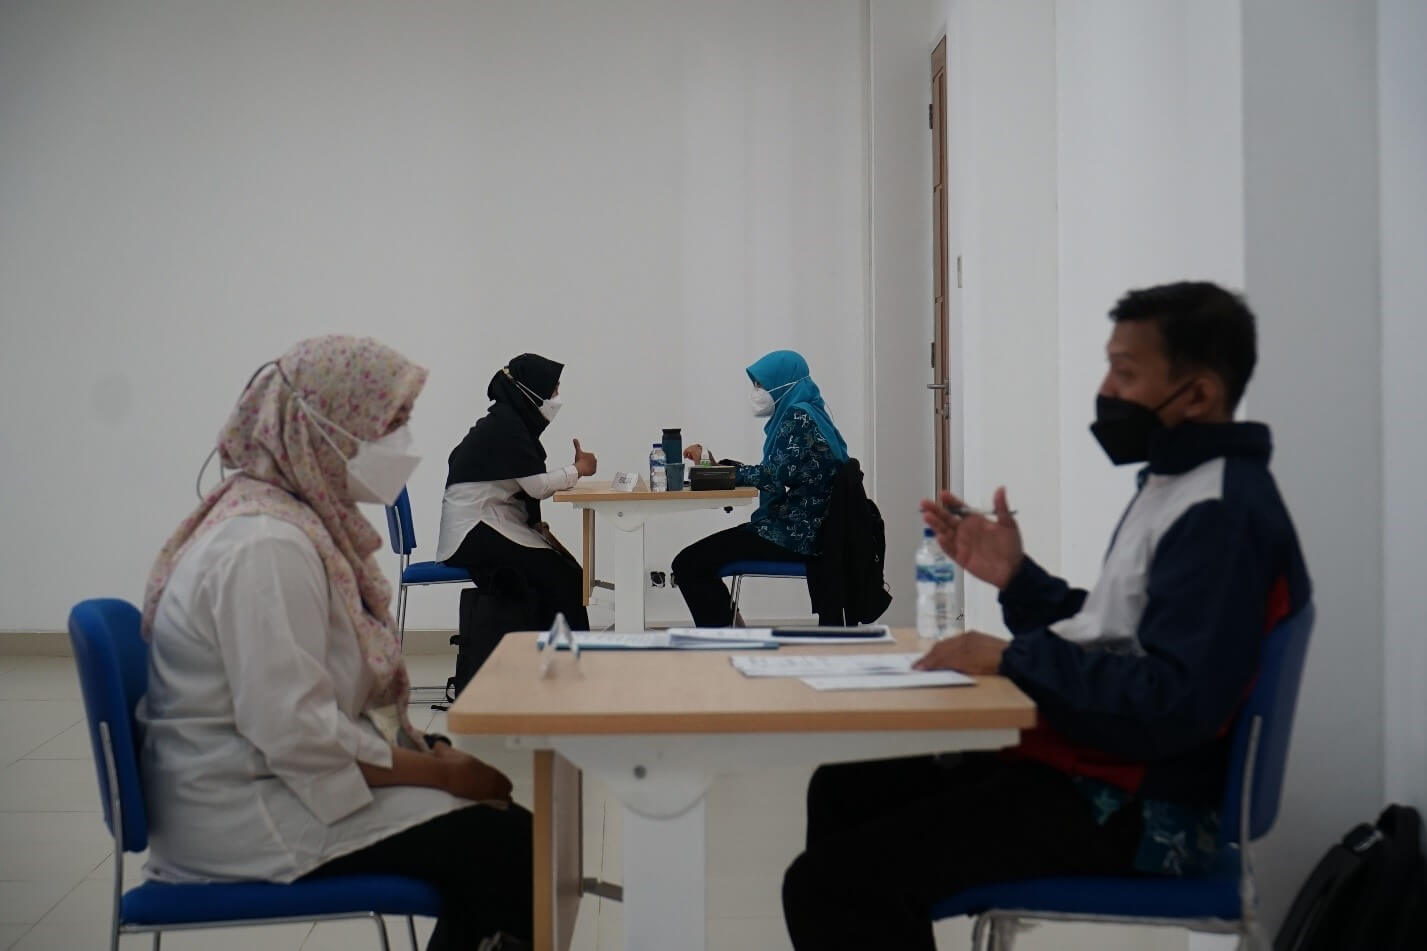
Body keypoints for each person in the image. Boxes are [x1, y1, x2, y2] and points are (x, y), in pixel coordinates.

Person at [781, 282, 1312, 950]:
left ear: (1198, 394)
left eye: (1125, 373)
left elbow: (1173, 699)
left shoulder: (1219, 514)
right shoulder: (1178, 484)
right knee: (843, 790)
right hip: (1108, 768)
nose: (1106, 390)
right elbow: (1122, 637)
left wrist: (1013, 657)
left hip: (1147, 808)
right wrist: (1019, 580)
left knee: (831, 885)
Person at [140, 336, 532, 950]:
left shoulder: (286, 524)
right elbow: (296, 732)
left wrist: (429, 756)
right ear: (324, 429)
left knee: (504, 840)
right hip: (247, 815)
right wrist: (441, 775)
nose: (405, 443)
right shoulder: (265, 546)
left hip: (270, 783)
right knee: (511, 848)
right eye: (391, 424)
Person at [672, 350, 850, 627]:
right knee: (694, 561)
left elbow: (770, 474)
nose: (757, 392)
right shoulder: (812, 413)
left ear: (783, 383)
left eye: (761, 385)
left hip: (797, 535)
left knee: (689, 563)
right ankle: (731, 635)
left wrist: (715, 473)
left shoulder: (798, 417)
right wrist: (718, 468)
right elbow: (778, 470)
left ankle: (724, 640)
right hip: (814, 529)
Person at [436, 353, 597, 631]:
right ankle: (571, 654)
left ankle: (559, 652)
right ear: (532, 391)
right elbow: (537, 487)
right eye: (553, 391)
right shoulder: (505, 428)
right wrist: (578, 469)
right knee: (563, 578)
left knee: (566, 574)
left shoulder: (506, 422)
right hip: (474, 531)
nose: (556, 399)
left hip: (485, 523)